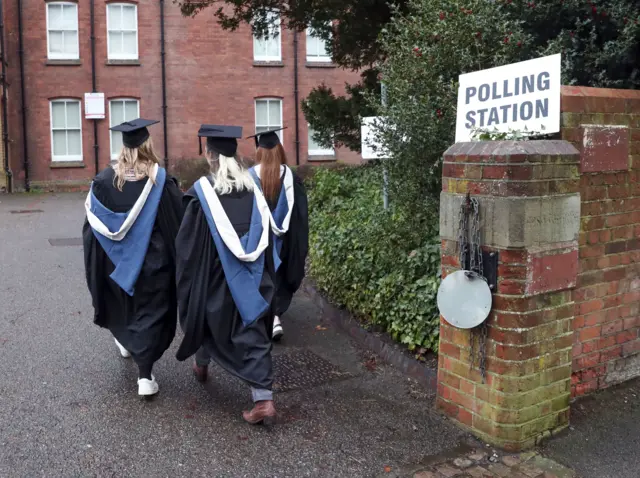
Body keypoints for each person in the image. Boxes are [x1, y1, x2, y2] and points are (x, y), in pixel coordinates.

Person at [175, 124, 278, 424]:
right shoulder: (255, 190)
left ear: (210, 156)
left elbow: (188, 246)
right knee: (252, 326)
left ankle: (202, 363)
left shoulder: (201, 194)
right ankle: (263, 399)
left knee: (207, 316)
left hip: (216, 274)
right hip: (254, 273)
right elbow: (267, 240)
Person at [83, 118, 183, 398]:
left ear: (123, 148)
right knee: (151, 313)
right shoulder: (159, 180)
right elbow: (178, 222)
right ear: (148, 145)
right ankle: (145, 375)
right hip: (154, 263)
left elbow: (92, 231)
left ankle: (127, 342)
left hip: (115, 265)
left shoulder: (103, 181)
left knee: (123, 305)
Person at [247, 128, 309, 342]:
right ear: (280, 150)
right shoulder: (292, 178)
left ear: (259, 152)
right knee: (280, 275)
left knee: (262, 275)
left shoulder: (249, 178)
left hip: (259, 242)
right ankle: (276, 316)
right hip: (284, 244)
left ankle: (265, 316)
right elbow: (300, 217)